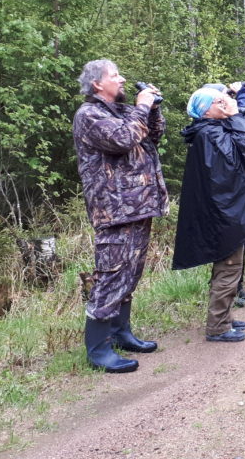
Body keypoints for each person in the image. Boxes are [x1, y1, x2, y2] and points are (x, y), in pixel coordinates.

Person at [72, 59, 167, 373]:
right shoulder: (89, 115)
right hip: (113, 210)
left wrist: (153, 109)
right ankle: (98, 349)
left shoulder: (123, 111)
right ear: (97, 83)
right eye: (115, 75)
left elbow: (152, 136)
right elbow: (123, 140)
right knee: (111, 275)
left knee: (130, 273)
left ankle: (120, 333)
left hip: (138, 206)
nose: (122, 79)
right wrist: (142, 107)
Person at [172, 86, 245, 343]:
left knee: (229, 266)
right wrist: (235, 115)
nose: (225, 104)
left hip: (225, 210)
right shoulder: (210, 134)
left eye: (225, 100)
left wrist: (235, 117)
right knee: (229, 267)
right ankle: (217, 327)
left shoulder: (211, 130)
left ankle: (225, 318)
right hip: (224, 214)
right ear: (205, 110)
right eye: (218, 102)